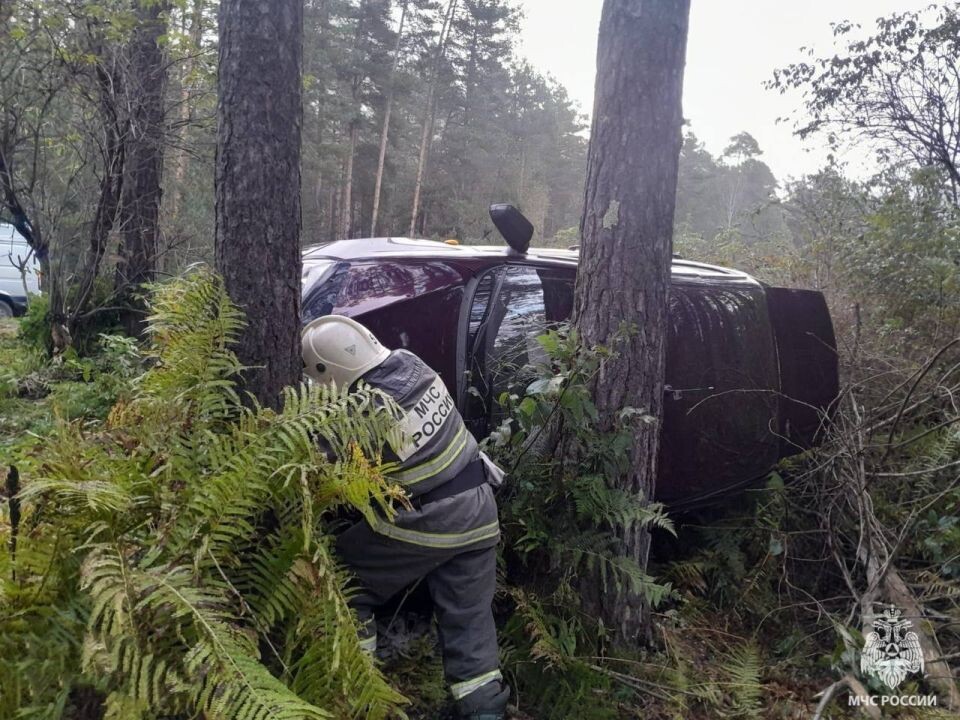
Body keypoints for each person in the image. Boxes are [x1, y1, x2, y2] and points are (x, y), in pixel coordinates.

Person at [302, 315, 510, 720]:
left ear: (330, 373)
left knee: (343, 581)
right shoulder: (411, 364)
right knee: (469, 623)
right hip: (481, 506)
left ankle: (361, 693)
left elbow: (314, 465)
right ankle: (485, 710)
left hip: (434, 519)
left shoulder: (362, 411)